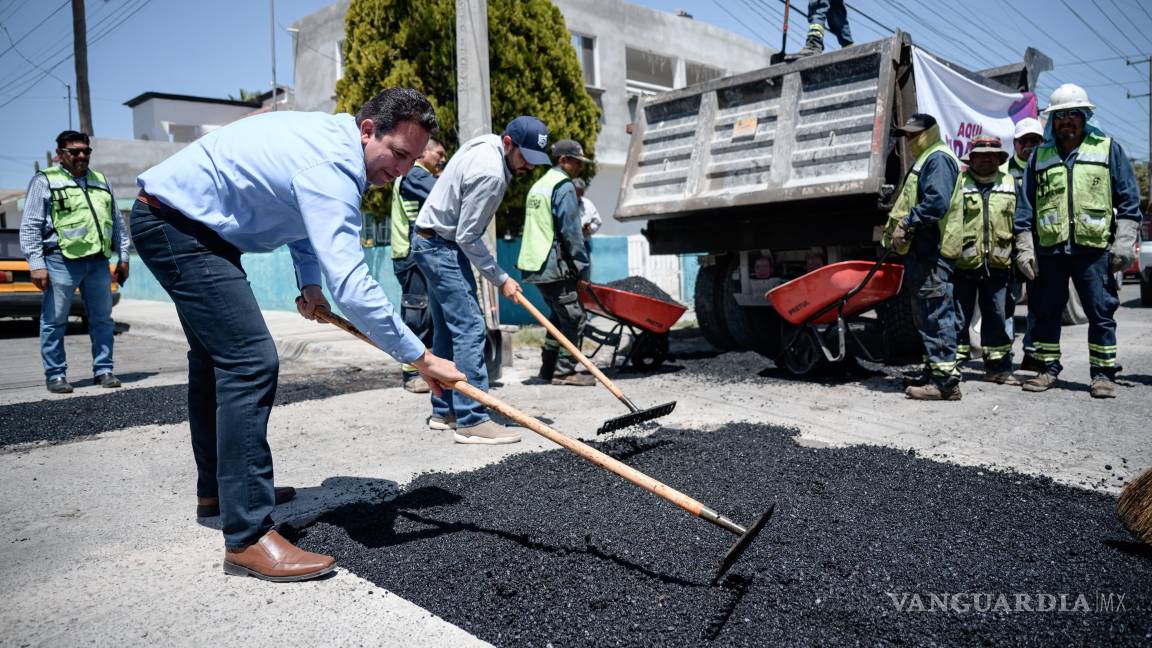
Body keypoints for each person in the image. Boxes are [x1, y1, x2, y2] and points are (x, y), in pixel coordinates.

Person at [130, 87, 465, 582]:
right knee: (249, 361)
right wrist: (420, 356)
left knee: (215, 359)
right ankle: (246, 536)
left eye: (411, 161)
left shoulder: (331, 148)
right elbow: (352, 284)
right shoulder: (333, 165)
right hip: (178, 228)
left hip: (189, 228)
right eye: (397, 155)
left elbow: (304, 221)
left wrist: (309, 282)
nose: (399, 171)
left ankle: (219, 493)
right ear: (367, 130)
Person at [413, 116, 551, 444]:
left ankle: (444, 410)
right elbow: (468, 235)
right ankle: (473, 419)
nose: (528, 168)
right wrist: (501, 278)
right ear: (508, 143)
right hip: (442, 246)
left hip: (430, 240)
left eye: (534, 161)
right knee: (471, 329)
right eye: (525, 159)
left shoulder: (486, 144)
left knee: (447, 330)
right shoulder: (491, 174)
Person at [1013, 83, 1142, 398]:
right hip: (1050, 249)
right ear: (1052, 121)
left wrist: (1124, 242)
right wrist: (1025, 247)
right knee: (1045, 312)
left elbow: (1129, 200)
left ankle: (1102, 375)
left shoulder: (1107, 148)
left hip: (1093, 250)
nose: (1066, 121)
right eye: (1059, 116)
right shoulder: (1039, 155)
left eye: (1073, 114)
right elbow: (1025, 206)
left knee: (1100, 312)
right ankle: (1046, 370)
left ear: (1084, 116)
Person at [20, 130, 129, 394]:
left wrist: (123, 256)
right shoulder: (45, 180)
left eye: (86, 151)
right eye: (75, 151)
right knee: (55, 320)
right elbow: (30, 225)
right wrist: (37, 264)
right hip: (60, 261)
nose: (81, 156)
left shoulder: (101, 181)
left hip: (98, 262)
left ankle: (103, 370)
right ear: (60, 154)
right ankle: (56, 375)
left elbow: (116, 223)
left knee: (103, 320)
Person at [881, 113, 964, 400]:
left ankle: (945, 383)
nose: (911, 139)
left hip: (933, 250)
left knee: (936, 313)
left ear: (931, 131)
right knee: (926, 315)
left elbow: (936, 202)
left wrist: (906, 222)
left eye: (915, 133)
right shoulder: (927, 157)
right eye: (907, 134)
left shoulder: (937, 158)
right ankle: (933, 371)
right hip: (923, 251)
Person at [517, 139, 595, 386]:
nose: (580, 168)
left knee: (558, 317)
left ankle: (548, 368)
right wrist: (581, 267)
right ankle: (564, 371)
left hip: (535, 263)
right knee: (574, 317)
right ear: (564, 160)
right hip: (553, 264)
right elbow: (571, 230)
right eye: (577, 162)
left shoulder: (540, 185)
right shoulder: (563, 186)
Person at [953, 135, 1020, 385]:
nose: (985, 160)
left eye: (991, 155)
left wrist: (1023, 254)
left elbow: (1021, 222)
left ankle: (999, 369)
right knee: (958, 318)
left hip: (999, 265)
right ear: (971, 159)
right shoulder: (958, 184)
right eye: (980, 155)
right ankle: (954, 369)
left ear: (999, 159)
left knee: (996, 317)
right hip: (963, 265)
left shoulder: (1011, 184)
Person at [391, 137, 447, 393]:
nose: (442, 159)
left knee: (426, 314)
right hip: (410, 256)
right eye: (439, 153)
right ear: (424, 151)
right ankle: (410, 372)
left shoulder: (417, 174)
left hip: (415, 255)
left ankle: (423, 369)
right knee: (417, 313)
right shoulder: (415, 174)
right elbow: (443, 194)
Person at [1005, 117, 1046, 373]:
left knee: (1039, 302)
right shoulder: (1003, 172)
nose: (1029, 145)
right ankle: (1002, 353)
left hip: (1040, 247)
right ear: (1016, 143)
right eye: (1024, 141)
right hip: (1008, 248)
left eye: (1035, 140)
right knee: (1006, 303)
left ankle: (1032, 353)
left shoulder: (1048, 169)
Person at [573, 177, 601, 256]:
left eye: (582, 192)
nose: (580, 194)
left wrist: (589, 229)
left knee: (584, 267)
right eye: (578, 192)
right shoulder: (565, 203)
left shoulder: (588, 204)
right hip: (569, 244)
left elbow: (597, 222)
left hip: (584, 243)